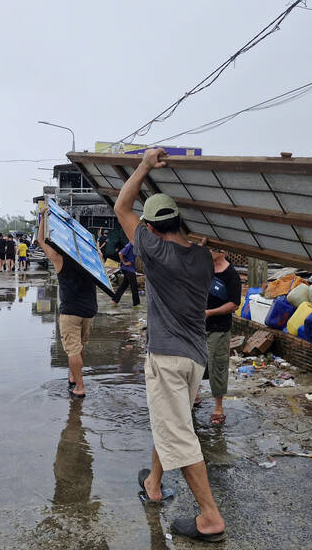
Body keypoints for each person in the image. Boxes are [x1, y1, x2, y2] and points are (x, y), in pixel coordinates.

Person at [115, 148, 226, 543]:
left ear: (153, 228)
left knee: (178, 432)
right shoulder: (202, 258)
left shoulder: (153, 249)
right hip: (195, 358)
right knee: (172, 423)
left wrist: (144, 165)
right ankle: (155, 484)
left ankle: (210, 517)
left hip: (166, 356)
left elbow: (121, 206)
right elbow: (195, 245)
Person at [37, 205, 97, 399]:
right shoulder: (91, 258)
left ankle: (79, 387)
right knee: (80, 347)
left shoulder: (60, 259)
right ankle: (73, 375)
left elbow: (40, 241)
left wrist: (43, 217)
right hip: (89, 310)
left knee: (72, 349)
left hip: (70, 311)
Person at [198, 247, 241, 425]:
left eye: (213, 249)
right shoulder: (203, 269)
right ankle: (195, 395)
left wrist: (211, 312)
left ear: (222, 251)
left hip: (219, 328)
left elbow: (234, 304)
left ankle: (218, 406)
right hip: (198, 327)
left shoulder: (231, 274)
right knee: (195, 363)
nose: (209, 251)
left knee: (218, 365)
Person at [111, 240, 139, 307]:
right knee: (134, 286)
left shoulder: (135, 245)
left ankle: (114, 300)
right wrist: (124, 262)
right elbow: (120, 253)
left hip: (129, 268)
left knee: (124, 285)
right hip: (128, 269)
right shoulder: (130, 245)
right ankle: (136, 304)